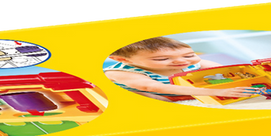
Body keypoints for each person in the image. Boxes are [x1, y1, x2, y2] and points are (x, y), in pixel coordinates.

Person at [104, 38, 261, 102]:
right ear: (124, 60)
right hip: (147, 93)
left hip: (181, 91)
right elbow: (153, 87)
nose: (181, 61)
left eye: (189, 55)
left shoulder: (189, 62)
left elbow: (224, 70)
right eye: (162, 59)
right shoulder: (121, 72)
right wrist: (218, 91)